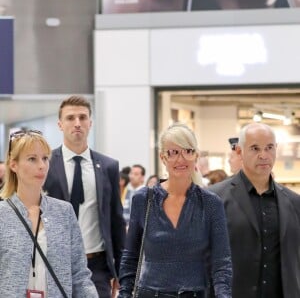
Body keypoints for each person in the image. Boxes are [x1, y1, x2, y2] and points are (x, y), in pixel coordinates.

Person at [118, 122, 232, 298]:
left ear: (196, 156)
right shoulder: (144, 199)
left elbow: (222, 263)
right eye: (173, 152)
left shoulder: (210, 203)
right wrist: (124, 294)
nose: (181, 159)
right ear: (163, 157)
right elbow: (130, 257)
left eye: (188, 151)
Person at [43, 95, 126, 298]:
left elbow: (116, 220)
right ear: (60, 124)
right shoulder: (45, 164)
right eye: (70, 118)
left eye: (83, 117)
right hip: (52, 260)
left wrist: (121, 271)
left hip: (96, 265)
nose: (77, 123)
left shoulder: (108, 166)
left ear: (90, 123)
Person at [0, 129, 98, 297]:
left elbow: (79, 274)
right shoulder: (3, 214)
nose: (41, 165)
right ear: (13, 164)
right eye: (32, 159)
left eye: (45, 158)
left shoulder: (64, 212)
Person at [209, 123, 300, 298]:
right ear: (239, 151)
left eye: (269, 148)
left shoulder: (294, 202)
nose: (263, 155)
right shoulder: (215, 198)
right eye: (255, 148)